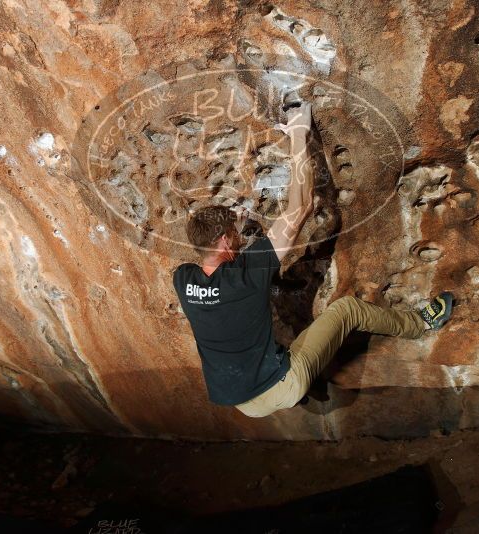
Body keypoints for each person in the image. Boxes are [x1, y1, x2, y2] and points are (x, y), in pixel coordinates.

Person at [171, 102, 454, 418]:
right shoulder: (248, 273)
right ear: (224, 240)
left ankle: (305, 376)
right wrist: (298, 133)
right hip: (280, 386)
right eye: (235, 234)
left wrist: (227, 224)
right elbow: (301, 206)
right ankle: (419, 324)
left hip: (242, 403)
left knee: (275, 332)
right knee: (347, 310)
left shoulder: (183, 279)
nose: (241, 237)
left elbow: (214, 256)